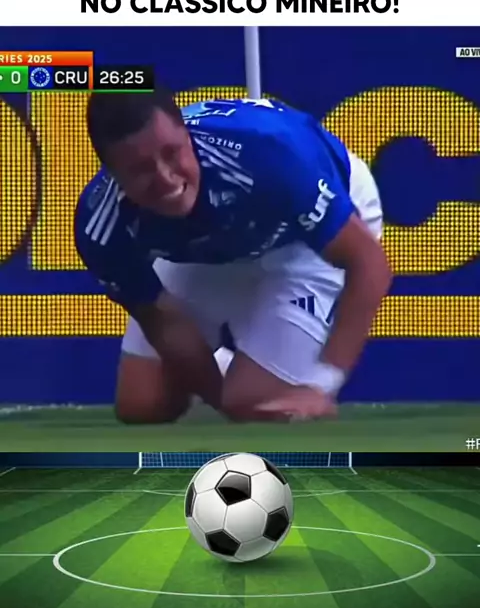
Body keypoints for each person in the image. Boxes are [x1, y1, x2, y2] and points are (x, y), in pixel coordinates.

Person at [74, 87, 392, 424]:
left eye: (172, 153)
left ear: (187, 133)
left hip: (304, 238)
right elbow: (165, 322)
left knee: (257, 403)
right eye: (140, 169)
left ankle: (258, 381)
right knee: (142, 405)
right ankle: (241, 376)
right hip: (209, 244)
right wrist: (222, 400)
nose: (165, 178)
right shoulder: (100, 226)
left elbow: (368, 263)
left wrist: (321, 386)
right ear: (112, 173)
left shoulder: (269, 159)